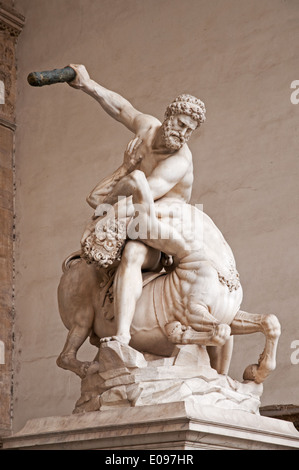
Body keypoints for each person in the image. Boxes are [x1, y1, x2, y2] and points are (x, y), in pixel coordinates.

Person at [68, 64, 206, 344]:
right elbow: (122, 109)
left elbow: (141, 195)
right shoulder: (148, 127)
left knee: (132, 252)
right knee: (105, 212)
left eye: (189, 130)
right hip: (134, 215)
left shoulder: (178, 162)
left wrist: (103, 220)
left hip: (162, 228)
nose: (182, 133)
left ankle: (121, 336)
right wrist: (88, 84)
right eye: (180, 124)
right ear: (168, 116)